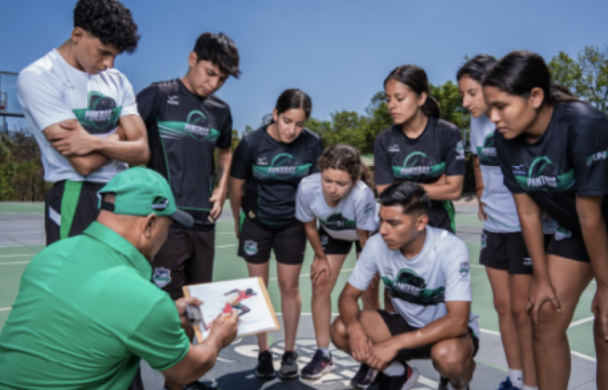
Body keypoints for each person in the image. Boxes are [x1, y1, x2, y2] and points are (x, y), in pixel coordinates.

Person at [0, 167, 239, 389]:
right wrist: (218, 336)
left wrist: (166, 311)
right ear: (149, 224)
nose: (167, 236)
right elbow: (187, 370)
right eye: (169, 226)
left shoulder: (50, 255)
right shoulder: (143, 299)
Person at [482, 50, 608, 390]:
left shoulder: (586, 124)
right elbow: (527, 211)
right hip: (581, 229)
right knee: (544, 315)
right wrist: (541, 278)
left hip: (595, 220)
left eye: (501, 106)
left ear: (535, 97)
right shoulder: (504, 140)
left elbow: (590, 213)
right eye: (489, 106)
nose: (493, 117)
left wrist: (606, 287)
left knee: (606, 329)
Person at [16, 0, 149, 245]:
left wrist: (90, 140)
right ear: (78, 35)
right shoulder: (38, 77)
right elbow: (84, 164)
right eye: (104, 52)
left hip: (122, 193)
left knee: (117, 278)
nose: (109, 64)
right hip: (75, 193)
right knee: (74, 279)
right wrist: (120, 135)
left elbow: (142, 152)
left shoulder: (118, 81)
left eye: (115, 56)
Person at [330, 182, 479, 390]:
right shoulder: (376, 245)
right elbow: (347, 296)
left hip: (447, 333)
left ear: (420, 222)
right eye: (381, 220)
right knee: (341, 328)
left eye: (393, 223)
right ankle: (398, 373)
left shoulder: (450, 248)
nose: (382, 230)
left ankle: (457, 385)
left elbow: (458, 321)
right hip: (406, 323)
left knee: (449, 359)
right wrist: (355, 328)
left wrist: (395, 343)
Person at [458, 54, 545, 390]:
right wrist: (480, 190)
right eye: (462, 94)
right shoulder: (478, 122)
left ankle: (533, 383)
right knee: (503, 307)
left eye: (471, 93)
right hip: (495, 224)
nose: (466, 102)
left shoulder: (516, 119)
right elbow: (479, 159)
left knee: (524, 313)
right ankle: (517, 377)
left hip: (525, 227)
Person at [137, 32, 240, 303]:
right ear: (192, 59)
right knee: (162, 302)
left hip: (204, 221)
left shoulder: (221, 110)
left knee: (197, 303)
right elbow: (128, 142)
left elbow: (225, 153)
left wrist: (221, 190)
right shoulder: (157, 95)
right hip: (165, 219)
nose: (214, 83)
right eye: (210, 73)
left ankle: (189, 348)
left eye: (222, 79)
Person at [229, 88, 324, 379]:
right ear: (275, 114)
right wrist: (237, 220)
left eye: (299, 124)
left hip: (292, 225)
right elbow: (236, 188)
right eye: (286, 121)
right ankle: (264, 352)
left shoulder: (313, 144)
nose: (292, 130)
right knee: (257, 288)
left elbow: (318, 187)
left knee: (289, 287)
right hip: (256, 223)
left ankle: (289, 352)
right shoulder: (251, 143)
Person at [295, 145, 380, 384]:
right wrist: (320, 258)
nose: (332, 189)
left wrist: (368, 270)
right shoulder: (307, 187)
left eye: (340, 184)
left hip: (364, 238)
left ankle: (371, 358)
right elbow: (310, 226)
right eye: (327, 180)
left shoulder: (362, 194)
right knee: (320, 283)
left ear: (353, 181)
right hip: (332, 233)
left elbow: (364, 239)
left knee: (370, 290)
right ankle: (323, 354)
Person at [374, 64, 465, 233]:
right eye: (388, 99)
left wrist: (402, 185)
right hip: (399, 229)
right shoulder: (383, 141)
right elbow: (385, 193)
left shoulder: (448, 133)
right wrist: (437, 185)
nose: (391, 106)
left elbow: (454, 190)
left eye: (399, 98)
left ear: (421, 98)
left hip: (440, 224)